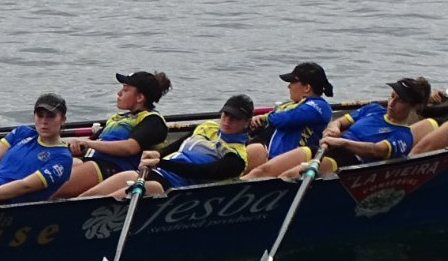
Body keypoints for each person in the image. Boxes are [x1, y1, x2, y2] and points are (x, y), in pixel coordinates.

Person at [91, 95, 255, 198]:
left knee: (105, 202)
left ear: (247, 122)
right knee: (88, 197)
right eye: (226, 114)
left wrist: (161, 163)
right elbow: (175, 147)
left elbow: (203, 171)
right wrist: (157, 156)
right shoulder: (209, 126)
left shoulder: (237, 157)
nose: (227, 121)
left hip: (172, 187)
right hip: (152, 172)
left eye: (235, 118)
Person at [57, 69, 172, 198]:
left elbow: (130, 147)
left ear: (140, 97)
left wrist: (88, 143)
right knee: (64, 164)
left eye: (126, 89)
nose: (119, 93)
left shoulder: (153, 120)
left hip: (115, 169)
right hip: (92, 162)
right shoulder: (117, 118)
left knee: (50, 189)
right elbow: (91, 142)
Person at [243, 63, 335, 180]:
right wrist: (258, 120)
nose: (289, 87)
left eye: (292, 82)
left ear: (307, 88)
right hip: (268, 154)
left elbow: (286, 119)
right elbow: (277, 116)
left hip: (291, 160)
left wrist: (266, 118)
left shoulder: (319, 106)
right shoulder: (288, 105)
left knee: (258, 173)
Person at [318, 78, 437, 169]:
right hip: (330, 147)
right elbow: (339, 121)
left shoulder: (404, 136)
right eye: (392, 96)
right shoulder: (373, 109)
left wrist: (342, 142)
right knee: (300, 154)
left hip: (351, 160)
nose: (391, 103)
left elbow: (376, 150)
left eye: (400, 100)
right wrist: (333, 128)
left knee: (301, 169)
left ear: (412, 106)